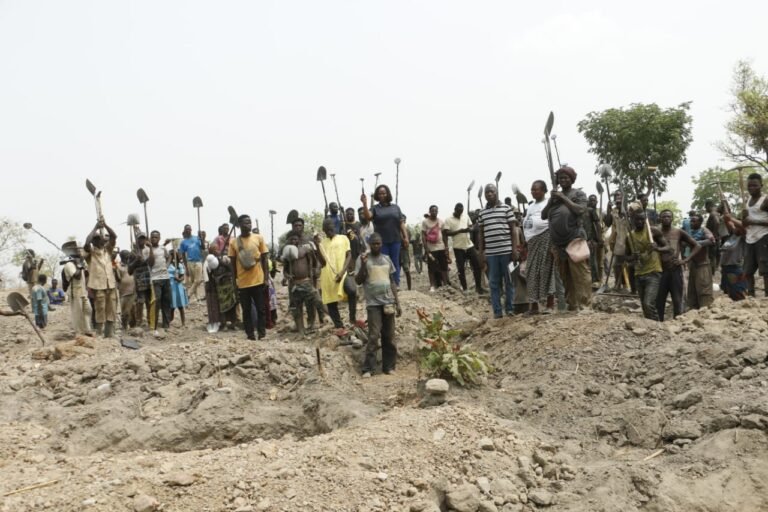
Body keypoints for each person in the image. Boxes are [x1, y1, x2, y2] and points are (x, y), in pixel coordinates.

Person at [541, 166, 591, 311]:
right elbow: (544, 215)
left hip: (575, 239)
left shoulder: (578, 194)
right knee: (565, 275)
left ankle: (585, 305)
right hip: (558, 243)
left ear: (572, 179)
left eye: (566, 178)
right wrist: (552, 200)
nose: (563, 180)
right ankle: (572, 304)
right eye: (561, 178)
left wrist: (563, 198)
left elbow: (580, 210)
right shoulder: (555, 198)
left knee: (580, 274)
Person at [356, 233, 401, 377]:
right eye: (374, 243)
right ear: (369, 244)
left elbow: (392, 281)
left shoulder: (387, 259)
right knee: (374, 336)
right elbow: (358, 280)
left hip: (388, 303)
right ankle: (368, 369)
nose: (376, 246)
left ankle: (389, 367)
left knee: (389, 336)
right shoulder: (363, 259)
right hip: (373, 304)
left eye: (379, 243)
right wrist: (363, 265)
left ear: (381, 244)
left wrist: (397, 302)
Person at [478, 183, 518, 318]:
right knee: (494, 283)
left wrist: (514, 249)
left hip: (507, 251)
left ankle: (510, 309)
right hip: (491, 254)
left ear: (496, 192)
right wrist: (481, 252)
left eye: (491, 191)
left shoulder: (507, 209)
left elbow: (513, 230)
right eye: (487, 192)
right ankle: (497, 312)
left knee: (509, 282)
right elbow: (481, 234)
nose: (489, 194)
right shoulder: (482, 213)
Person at [229, 215, 270, 340]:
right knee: (246, 311)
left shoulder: (259, 238)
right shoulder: (234, 242)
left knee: (261, 308)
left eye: (249, 222)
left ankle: (262, 333)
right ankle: (250, 334)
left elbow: (264, 259)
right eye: (245, 223)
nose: (248, 225)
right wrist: (234, 282)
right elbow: (232, 263)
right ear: (239, 225)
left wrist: (266, 278)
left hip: (258, 280)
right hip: (242, 282)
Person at [360, 184, 409, 286]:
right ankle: (385, 284)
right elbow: (368, 217)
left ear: (387, 194)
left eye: (384, 193)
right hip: (381, 242)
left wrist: (405, 237)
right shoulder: (375, 208)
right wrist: (364, 204)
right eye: (380, 193)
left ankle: (396, 284)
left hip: (395, 240)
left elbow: (401, 223)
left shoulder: (395, 207)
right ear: (377, 195)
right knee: (383, 263)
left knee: (395, 262)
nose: (382, 195)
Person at [656, 210, 700, 321]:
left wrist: (685, 261)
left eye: (669, 216)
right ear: (660, 218)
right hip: (659, 271)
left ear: (672, 219)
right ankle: (659, 326)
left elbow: (697, 245)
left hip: (674, 270)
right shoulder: (655, 232)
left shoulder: (678, 232)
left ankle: (677, 324)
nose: (666, 218)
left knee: (677, 300)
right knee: (659, 301)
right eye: (664, 216)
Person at [522, 180, 556, 314]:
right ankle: (534, 306)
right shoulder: (530, 206)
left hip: (545, 240)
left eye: (536, 189)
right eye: (532, 189)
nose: (533, 192)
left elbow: (552, 222)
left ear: (544, 191)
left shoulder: (548, 203)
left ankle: (550, 304)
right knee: (531, 272)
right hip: (532, 242)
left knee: (546, 271)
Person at [317, 217, 357, 330]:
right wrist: (316, 245)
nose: (330, 231)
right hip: (328, 276)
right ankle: (339, 326)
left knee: (352, 290)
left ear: (334, 227)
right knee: (331, 302)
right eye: (328, 230)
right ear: (324, 230)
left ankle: (352, 318)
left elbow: (349, 255)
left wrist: (342, 271)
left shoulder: (343, 238)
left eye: (332, 228)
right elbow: (322, 262)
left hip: (342, 273)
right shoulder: (322, 243)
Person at [625, 212, 667, 320]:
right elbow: (626, 257)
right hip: (638, 273)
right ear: (632, 220)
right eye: (637, 220)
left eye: (642, 220)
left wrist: (657, 248)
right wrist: (632, 257)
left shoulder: (652, 231)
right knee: (644, 306)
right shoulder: (629, 236)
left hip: (653, 272)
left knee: (648, 303)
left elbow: (668, 247)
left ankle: (657, 327)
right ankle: (650, 329)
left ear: (645, 220)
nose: (639, 222)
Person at [84, 221, 118, 337]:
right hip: (98, 286)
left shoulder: (108, 251)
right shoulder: (90, 253)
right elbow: (86, 243)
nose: (100, 240)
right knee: (100, 309)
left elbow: (114, 236)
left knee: (112, 309)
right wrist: (95, 227)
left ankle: (110, 333)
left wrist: (105, 225)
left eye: (101, 238)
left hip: (111, 285)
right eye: (97, 239)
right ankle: (99, 332)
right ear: (94, 241)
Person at [282, 230, 318, 334]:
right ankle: (301, 331)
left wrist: (312, 276)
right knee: (296, 307)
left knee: (315, 301)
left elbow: (313, 262)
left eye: (296, 239)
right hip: (294, 284)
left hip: (306, 281)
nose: (294, 241)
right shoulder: (287, 252)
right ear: (289, 240)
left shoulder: (305, 250)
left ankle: (314, 325)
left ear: (299, 240)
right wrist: (287, 276)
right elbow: (285, 270)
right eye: (292, 239)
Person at [444, 202, 484, 294]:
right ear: (455, 210)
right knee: (461, 268)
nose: (460, 213)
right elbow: (446, 233)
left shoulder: (465, 216)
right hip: (458, 247)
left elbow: (471, 226)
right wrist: (460, 231)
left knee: (477, 266)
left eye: (461, 212)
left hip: (469, 245)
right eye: (458, 212)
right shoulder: (448, 219)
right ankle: (465, 288)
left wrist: (470, 229)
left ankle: (478, 287)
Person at [741, 173, 768, 297]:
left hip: (763, 237)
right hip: (749, 238)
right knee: (747, 270)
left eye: (754, 185)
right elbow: (745, 223)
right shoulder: (747, 201)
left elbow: (754, 221)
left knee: (765, 269)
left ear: (761, 185)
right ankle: (750, 296)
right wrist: (744, 218)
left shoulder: (765, 200)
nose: (751, 187)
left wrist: (753, 221)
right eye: (749, 185)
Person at [143, 230, 173, 335]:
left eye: (156, 237)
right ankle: (154, 325)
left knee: (166, 301)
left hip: (166, 277)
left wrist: (167, 265)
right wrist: (151, 248)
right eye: (152, 237)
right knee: (156, 301)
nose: (154, 239)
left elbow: (169, 257)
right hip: (155, 279)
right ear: (150, 238)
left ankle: (166, 323)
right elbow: (150, 263)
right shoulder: (146, 250)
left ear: (159, 238)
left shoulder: (163, 248)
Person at [204, 242, 238, 332]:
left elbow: (230, 269)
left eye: (217, 249)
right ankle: (224, 324)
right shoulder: (210, 261)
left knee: (232, 304)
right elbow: (210, 274)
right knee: (222, 306)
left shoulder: (225, 258)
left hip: (228, 284)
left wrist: (221, 262)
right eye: (214, 250)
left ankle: (233, 323)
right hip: (219, 286)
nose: (216, 251)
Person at [687, 213, 716, 310]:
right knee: (692, 290)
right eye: (691, 220)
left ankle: (705, 310)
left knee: (704, 290)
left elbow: (712, 241)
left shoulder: (704, 230)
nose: (691, 222)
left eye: (694, 221)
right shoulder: (689, 232)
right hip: (693, 265)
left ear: (700, 222)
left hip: (703, 264)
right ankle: (693, 310)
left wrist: (697, 243)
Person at [604, 191, 631, 291]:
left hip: (630, 240)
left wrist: (627, 215)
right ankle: (618, 284)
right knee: (617, 265)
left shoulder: (630, 209)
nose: (618, 199)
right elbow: (607, 223)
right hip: (618, 241)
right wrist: (608, 209)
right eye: (616, 197)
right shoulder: (613, 211)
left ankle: (629, 285)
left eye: (619, 197)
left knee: (629, 264)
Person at [62, 250, 92, 335]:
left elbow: (85, 275)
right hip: (75, 291)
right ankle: (79, 332)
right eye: (79, 253)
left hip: (83, 291)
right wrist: (80, 265)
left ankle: (87, 329)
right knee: (78, 312)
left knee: (88, 310)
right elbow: (77, 276)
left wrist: (84, 267)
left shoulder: (80, 263)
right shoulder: (69, 265)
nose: (81, 254)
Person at [720, 212, 748, 301]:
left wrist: (731, 219)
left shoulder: (743, 237)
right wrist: (727, 217)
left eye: (737, 226)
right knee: (728, 293)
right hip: (725, 269)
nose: (734, 227)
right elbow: (727, 221)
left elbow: (742, 227)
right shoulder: (733, 235)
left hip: (735, 269)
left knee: (738, 294)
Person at [422, 205, 450, 291]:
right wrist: (426, 248)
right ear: (429, 212)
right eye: (432, 211)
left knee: (443, 266)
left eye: (435, 211)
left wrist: (446, 247)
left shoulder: (441, 221)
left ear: (437, 211)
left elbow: (444, 235)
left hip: (441, 247)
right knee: (431, 268)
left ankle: (445, 284)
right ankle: (432, 285)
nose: (434, 212)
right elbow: (423, 235)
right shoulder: (425, 222)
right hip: (431, 249)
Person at [129, 233, 152, 326]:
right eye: (140, 239)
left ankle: (151, 320)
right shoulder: (133, 252)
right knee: (140, 301)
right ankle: (139, 322)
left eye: (143, 239)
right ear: (137, 240)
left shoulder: (148, 250)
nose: (142, 241)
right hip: (139, 281)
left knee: (149, 301)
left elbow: (152, 263)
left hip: (149, 279)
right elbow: (129, 270)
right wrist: (136, 260)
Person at [179, 224, 204, 302]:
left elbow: (203, 247)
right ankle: (197, 297)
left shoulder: (197, 238)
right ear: (185, 230)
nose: (188, 230)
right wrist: (186, 267)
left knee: (198, 280)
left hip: (198, 261)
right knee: (193, 281)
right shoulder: (183, 242)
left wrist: (202, 239)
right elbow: (183, 255)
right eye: (187, 229)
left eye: (190, 229)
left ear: (191, 230)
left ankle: (188, 294)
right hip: (190, 262)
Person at [585, 194, 604, 288]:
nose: (593, 202)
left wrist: (600, 239)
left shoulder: (592, 211)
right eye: (591, 200)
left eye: (594, 201)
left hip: (592, 240)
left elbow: (597, 225)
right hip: (586, 239)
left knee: (594, 261)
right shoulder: (587, 210)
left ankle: (595, 281)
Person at [117, 250, 137, 330]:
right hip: (123, 291)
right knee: (124, 311)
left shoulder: (131, 265)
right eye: (126, 255)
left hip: (132, 290)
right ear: (122, 257)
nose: (127, 257)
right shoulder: (119, 266)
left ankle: (133, 326)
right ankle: (124, 326)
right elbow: (118, 278)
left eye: (128, 255)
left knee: (132, 310)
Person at [168, 250, 189, 327]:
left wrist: (179, 279)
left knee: (180, 307)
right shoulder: (168, 266)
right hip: (171, 287)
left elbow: (182, 276)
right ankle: (169, 320)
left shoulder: (179, 265)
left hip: (178, 287)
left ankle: (183, 323)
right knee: (172, 306)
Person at [705, 199, 722, 275]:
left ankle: (712, 273)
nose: (706, 210)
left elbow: (717, 222)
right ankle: (714, 270)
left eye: (706, 208)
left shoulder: (713, 213)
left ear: (708, 206)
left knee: (712, 256)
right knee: (715, 255)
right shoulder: (717, 213)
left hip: (713, 239)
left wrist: (713, 235)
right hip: (717, 238)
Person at [399, 214, 413, 291]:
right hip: (397, 252)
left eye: (404, 219)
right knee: (396, 270)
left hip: (404, 252)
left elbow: (406, 244)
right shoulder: (395, 230)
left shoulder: (407, 231)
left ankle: (409, 289)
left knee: (407, 270)